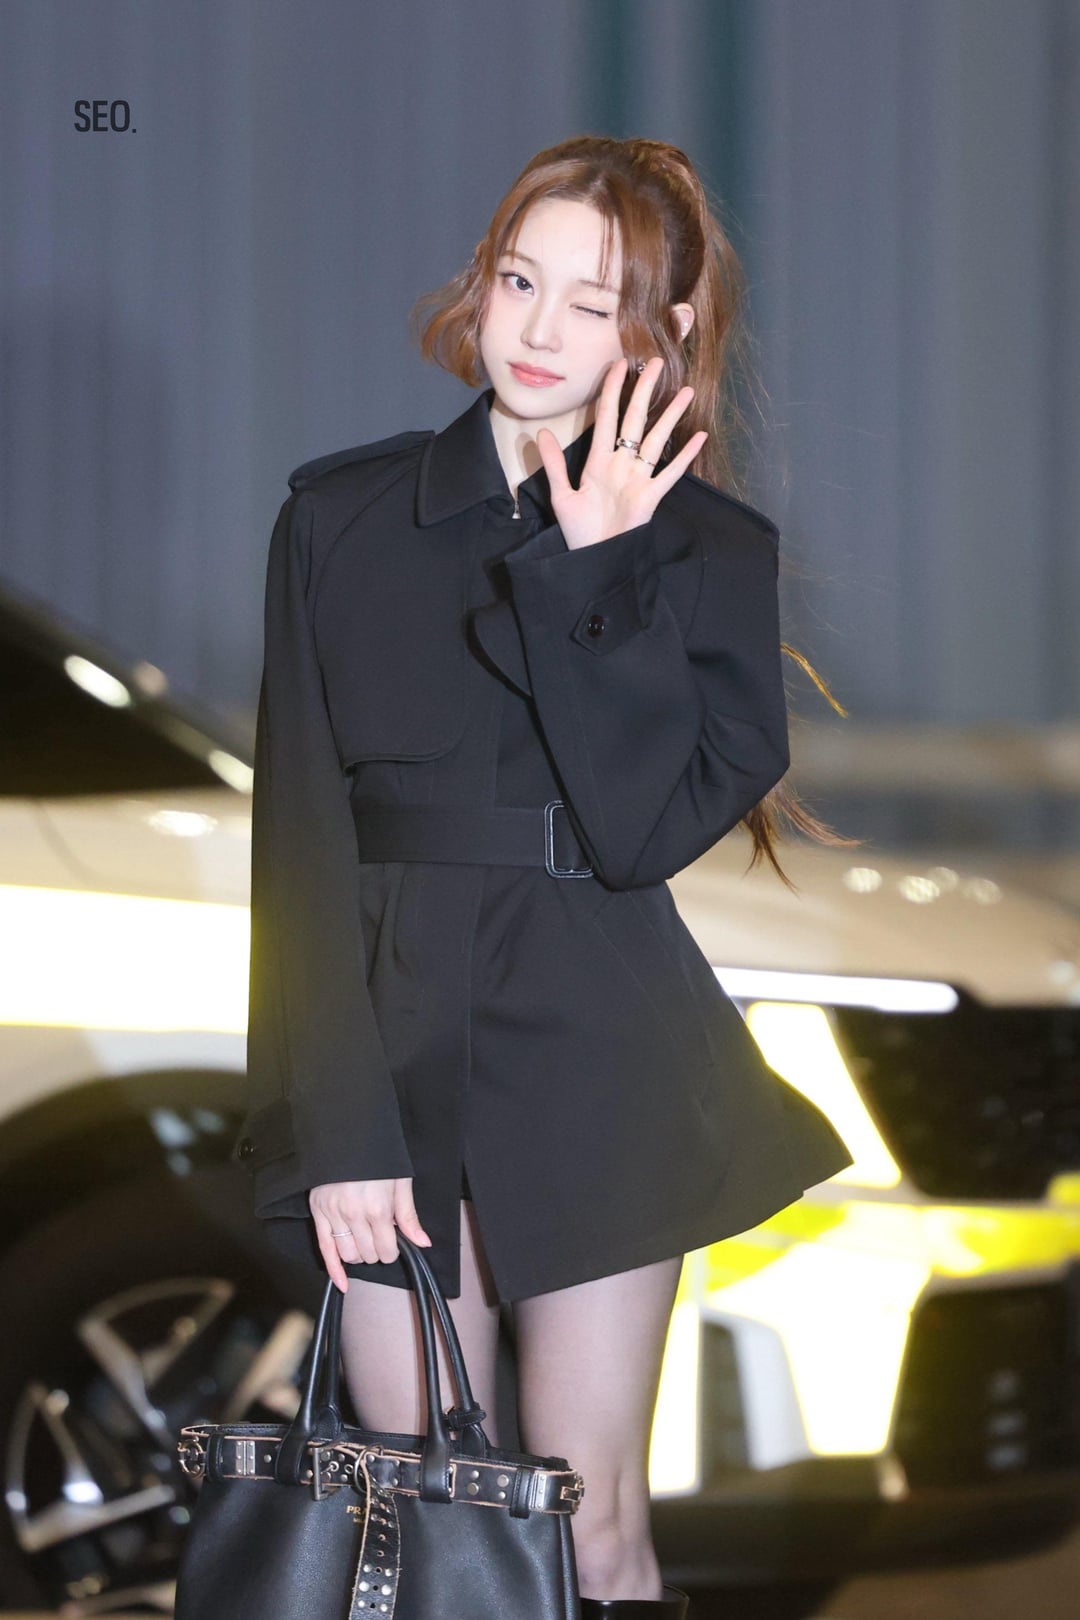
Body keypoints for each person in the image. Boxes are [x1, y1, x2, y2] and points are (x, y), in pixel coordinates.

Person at [237, 135, 854, 1616]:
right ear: (483, 282)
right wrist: (339, 1127)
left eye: (594, 302)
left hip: (598, 1051)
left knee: (591, 1520)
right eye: (522, 282)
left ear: (669, 331)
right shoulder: (339, 518)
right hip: (386, 1055)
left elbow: (642, 833)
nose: (539, 331)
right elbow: (297, 848)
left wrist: (596, 574)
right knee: (414, 1503)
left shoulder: (707, 550)